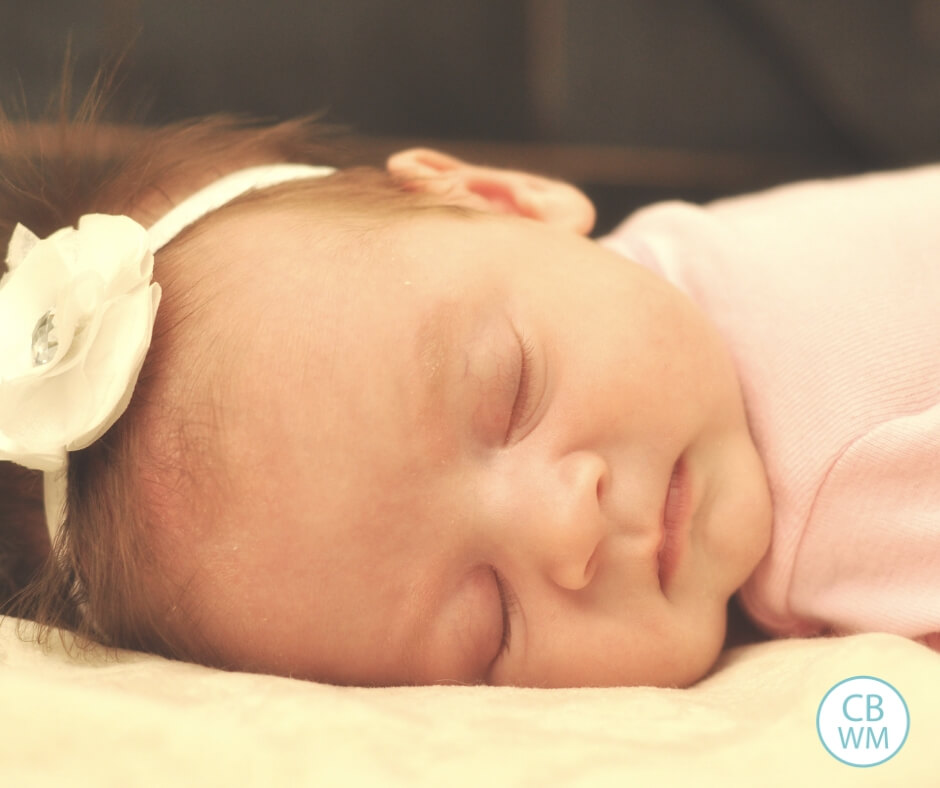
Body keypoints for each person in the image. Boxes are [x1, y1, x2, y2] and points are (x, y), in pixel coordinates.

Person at [0, 101, 936, 690]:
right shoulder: (677, 260)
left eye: (513, 392)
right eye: (491, 623)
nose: (568, 526)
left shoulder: (838, 484)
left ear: (507, 198)